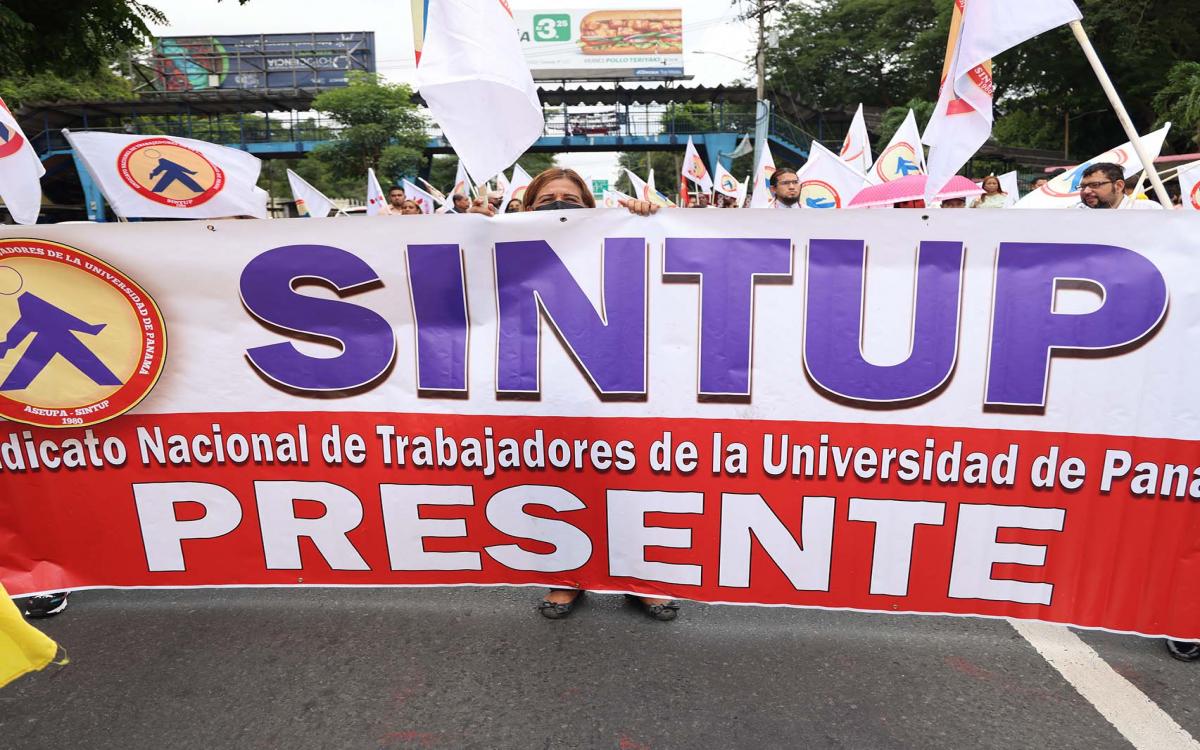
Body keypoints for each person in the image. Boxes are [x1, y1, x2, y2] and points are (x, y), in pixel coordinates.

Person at [508, 168, 668, 620]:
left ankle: (638, 578)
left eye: (571, 198)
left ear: (589, 207)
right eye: (548, 199)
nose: (560, 204)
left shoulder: (614, 237)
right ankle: (568, 577)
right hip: (545, 380)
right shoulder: (504, 245)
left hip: (615, 378)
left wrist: (646, 219)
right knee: (561, 479)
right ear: (527, 207)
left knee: (626, 478)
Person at [1076, 163, 1162, 210]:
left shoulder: (1148, 210)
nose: (1086, 191)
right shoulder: (1077, 214)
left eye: (1095, 185)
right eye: (1083, 187)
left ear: (1119, 186)